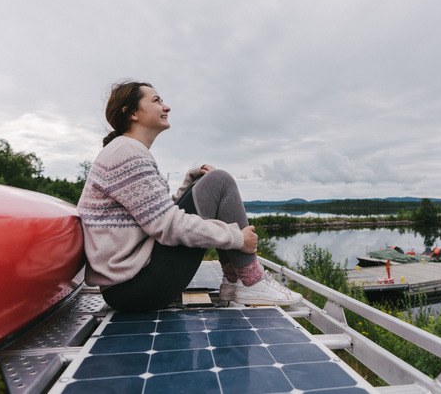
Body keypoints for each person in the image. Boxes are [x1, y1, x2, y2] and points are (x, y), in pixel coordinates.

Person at [77, 80, 301, 312]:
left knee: (212, 182)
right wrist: (237, 238)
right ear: (132, 113)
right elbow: (168, 225)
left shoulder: (126, 150)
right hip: (134, 287)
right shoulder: (127, 151)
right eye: (156, 101)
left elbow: (156, 218)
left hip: (127, 287)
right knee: (220, 181)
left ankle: (235, 281)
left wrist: (190, 185)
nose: (166, 107)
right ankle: (251, 280)